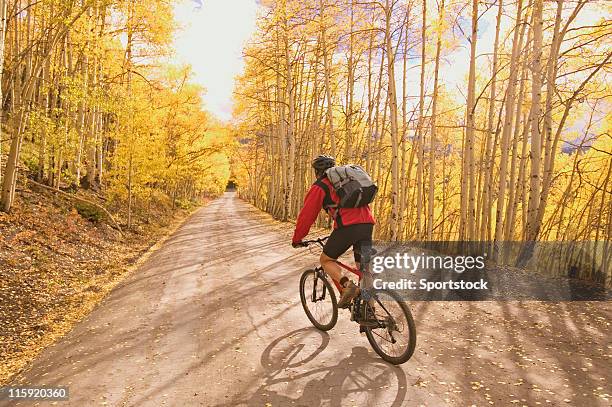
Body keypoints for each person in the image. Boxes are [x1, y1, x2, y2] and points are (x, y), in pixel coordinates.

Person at [292, 155, 375, 308]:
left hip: (348, 227)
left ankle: (347, 286)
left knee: (326, 260)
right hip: (368, 224)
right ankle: (369, 312)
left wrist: (297, 239)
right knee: (364, 268)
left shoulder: (320, 186)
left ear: (317, 172)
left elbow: (306, 216)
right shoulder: (348, 181)